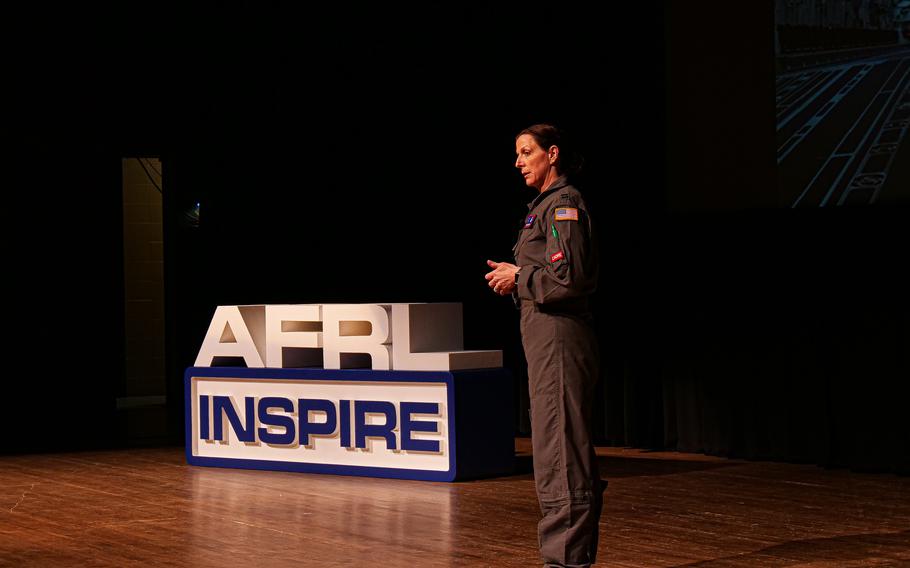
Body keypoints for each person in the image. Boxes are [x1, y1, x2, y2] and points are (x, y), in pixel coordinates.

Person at [485, 124, 603, 568]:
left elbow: (568, 280)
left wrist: (521, 277)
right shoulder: (544, 208)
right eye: (517, 154)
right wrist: (518, 275)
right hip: (545, 340)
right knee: (557, 448)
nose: (518, 162)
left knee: (562, 455)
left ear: (552, 154)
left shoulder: (563, 205)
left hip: (559, 340)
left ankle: (564, 562)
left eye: (526, 152)